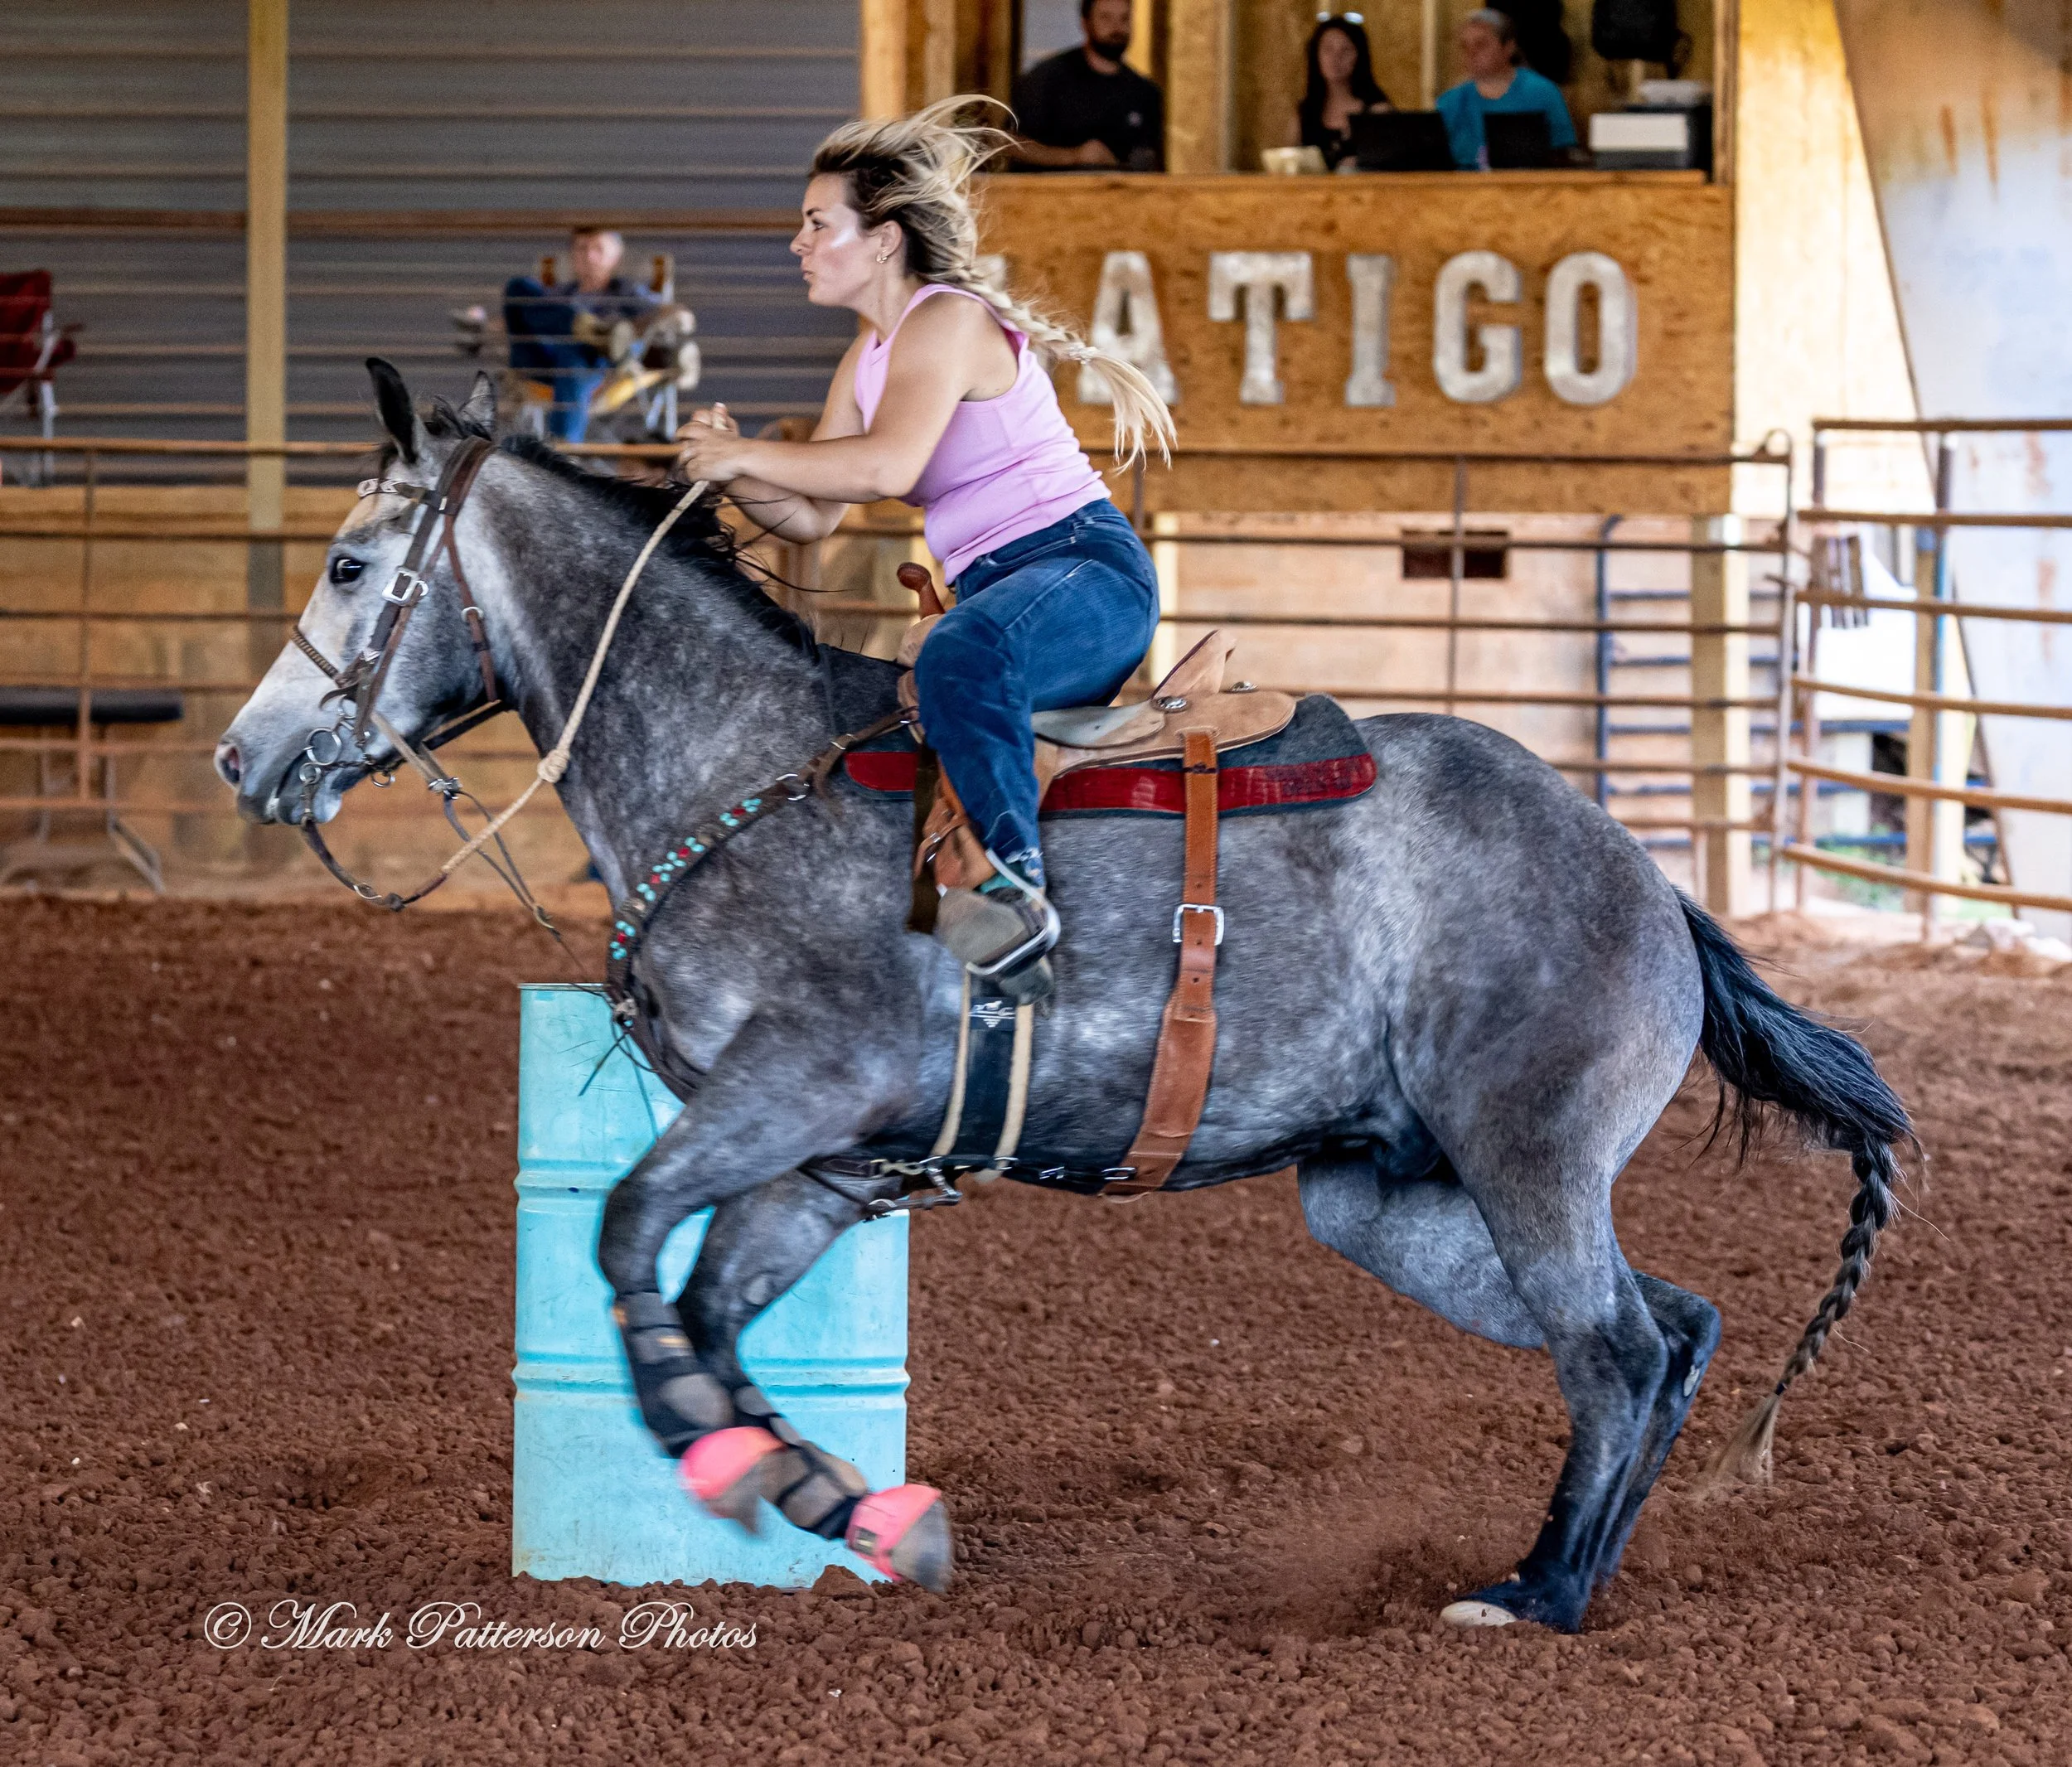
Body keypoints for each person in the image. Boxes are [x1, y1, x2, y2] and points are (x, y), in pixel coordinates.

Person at [672, 99, 1174, 1001]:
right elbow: (813, 516)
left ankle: (1011, 891)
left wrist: (743, 453)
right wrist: (729, 470)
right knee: (938, 666)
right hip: (1006, 584)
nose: (798, 241)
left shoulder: (945, 322)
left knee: (960, 649)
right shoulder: (865, 356)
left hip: (1082, 569)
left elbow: (884, 466)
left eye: (817, 223)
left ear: (884, 239)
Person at [501, 227, 660, 440]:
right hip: (541, 361)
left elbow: (658, 320)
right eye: (582, 248)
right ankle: (588, 329)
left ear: (616, 255)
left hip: (592, 367)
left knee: (573, 350)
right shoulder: (558, 293)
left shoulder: (625, 292)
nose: (588, 256)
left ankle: (562, 450)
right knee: (518, 287)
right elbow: (523, 322)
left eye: (598, 249)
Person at [1009, 0, 1164, 172]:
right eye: (1106, 18)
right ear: (1085, 23)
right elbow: (1009, 144)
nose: (1117, 27)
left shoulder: (1145, 92)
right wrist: (1074, 156)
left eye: (1124, 19)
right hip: (1052, 194)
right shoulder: (1048, 78)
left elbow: (1153, 162)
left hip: (1122, 195)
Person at [1435, 8, 1576, 170]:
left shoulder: (1542, 92)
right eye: (1465, 47)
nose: (1471, 54)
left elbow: (1564, 156)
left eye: (1481, 45)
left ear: (1509, 47)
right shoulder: (1449, 102)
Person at [1282, 14, 1392, 171]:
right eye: (1328, 49)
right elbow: (1287, 164)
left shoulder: (1376, 111)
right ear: (1316, 56)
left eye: (1346, 50)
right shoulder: (1305, 113)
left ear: (1359, 56)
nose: (1336, 58)